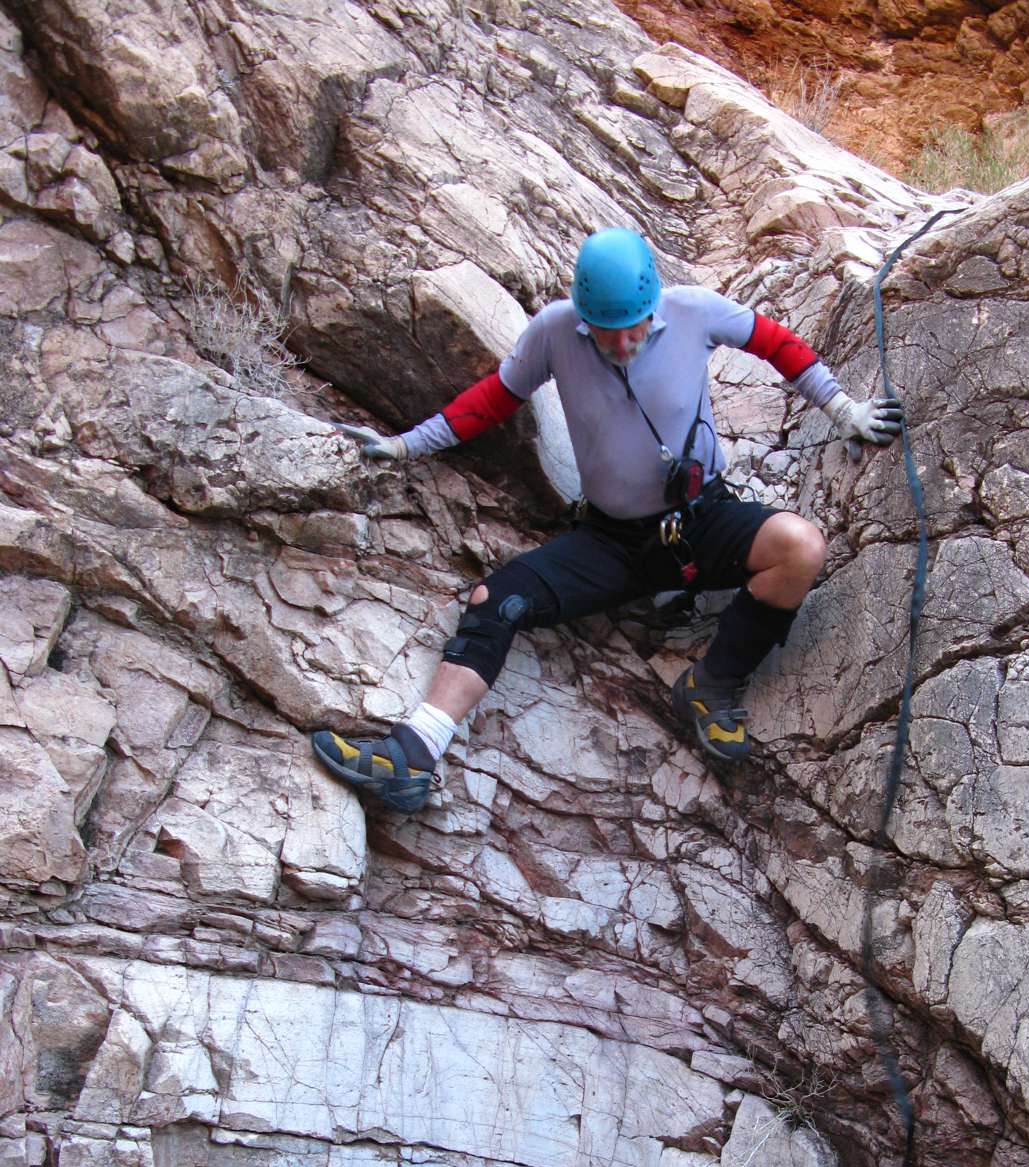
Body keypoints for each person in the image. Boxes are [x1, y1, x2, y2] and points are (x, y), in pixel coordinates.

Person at [312, 228, 903, 812]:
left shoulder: (694, 311)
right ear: (583, 316)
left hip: (704, 519)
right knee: (497, 600)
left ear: (653, 305)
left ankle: (712, 684)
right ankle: (414, 753)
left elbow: (776, 343)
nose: (621, 345)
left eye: (633, 329)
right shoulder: (554, 331)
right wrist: (406, 445)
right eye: (604, 332)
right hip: (611, 541)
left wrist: (843, 408)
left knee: (801, 547)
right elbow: (493, 399)